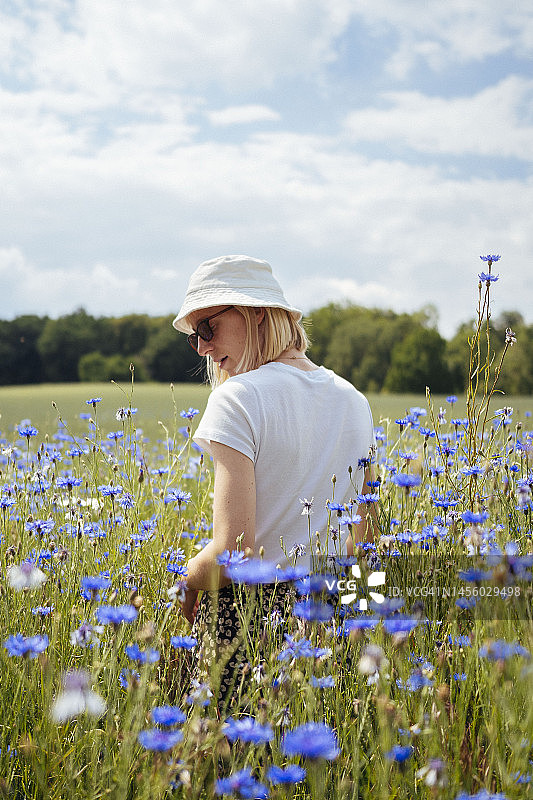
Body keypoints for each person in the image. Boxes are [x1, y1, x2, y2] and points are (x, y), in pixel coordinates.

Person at [172, 254, 376, 706]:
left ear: (257, 313)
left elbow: (235, 550)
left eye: (207, 327)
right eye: (194, 337)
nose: (202, 347)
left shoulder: (237, 398)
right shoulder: (354, 400)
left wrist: (184, 582)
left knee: (232, 746)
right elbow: (364, 540)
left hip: (247, 623)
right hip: (331, 622)